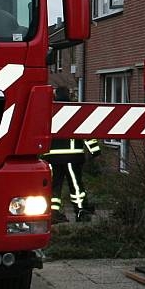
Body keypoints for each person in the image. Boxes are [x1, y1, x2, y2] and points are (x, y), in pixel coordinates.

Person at [46, 86, 100, 223]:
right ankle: (81, 211)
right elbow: (85, 131)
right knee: (75, 185)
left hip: (51, 157)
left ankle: (52, 213)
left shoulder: (48, 111)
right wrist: (94, 150)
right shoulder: (75, 111)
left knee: (54, 185)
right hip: (72, 156)